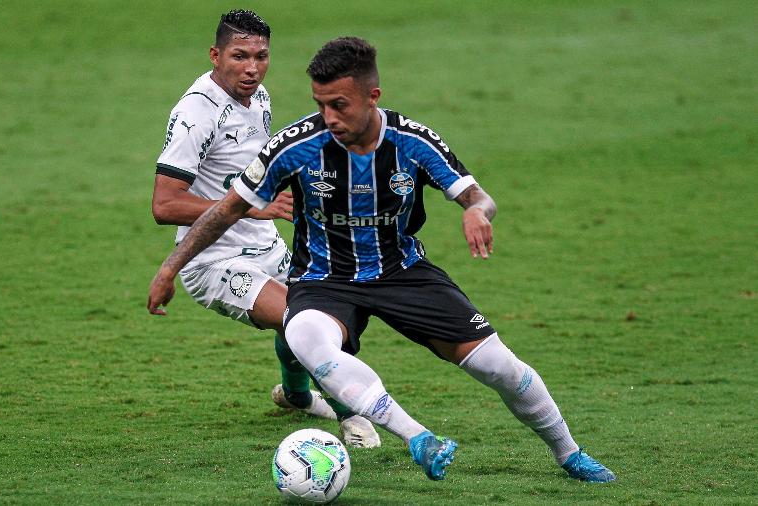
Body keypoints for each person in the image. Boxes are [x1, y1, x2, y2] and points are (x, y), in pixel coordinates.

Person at [148, 36, 616, 483]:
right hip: (323, 278)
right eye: (319, 104)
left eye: (339, 105)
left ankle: (569, 452)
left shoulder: (413, 141)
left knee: (497, 366)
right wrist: (170, 268)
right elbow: (227, 208)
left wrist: (476, 210)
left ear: (372, 96)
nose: (327, 117)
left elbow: (477, 195)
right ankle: (419, 438)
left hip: (403, 272)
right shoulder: (294, 147)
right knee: (304, 334)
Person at [151, 11, 380, 447]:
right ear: (216, 56)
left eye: (261, 56)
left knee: (325, 318)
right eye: (239, 56)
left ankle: (295, 396)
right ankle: (355, 417)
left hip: (266, 246)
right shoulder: (195, 114)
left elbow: (256, 171)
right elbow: (164, 204)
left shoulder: (259, 99)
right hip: (213, 261)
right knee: (304, 320)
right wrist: (251, 209)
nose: (252, 68)